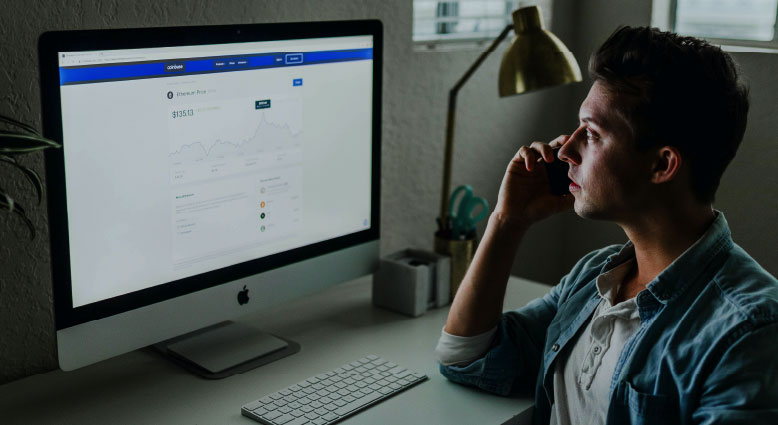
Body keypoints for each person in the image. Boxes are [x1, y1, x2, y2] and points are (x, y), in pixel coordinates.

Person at [435, 25, 778, 425]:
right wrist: (506, 222)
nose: (565, 148)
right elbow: (466, 357)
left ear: (662, 164)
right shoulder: (594, 279)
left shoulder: (750, 332)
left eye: (592, 134)